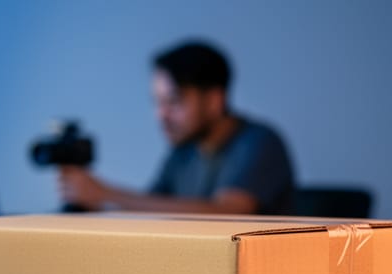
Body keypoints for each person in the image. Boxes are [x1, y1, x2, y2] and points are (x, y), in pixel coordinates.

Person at [58, 41, 296, 215]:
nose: (161, 115)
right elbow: (149, 206)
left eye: (174, 101)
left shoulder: (260, 142)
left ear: (214, 100)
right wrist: (95, 201)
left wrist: (106, 194)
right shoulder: (182, 153)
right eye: (157, 102)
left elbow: (229, 213)